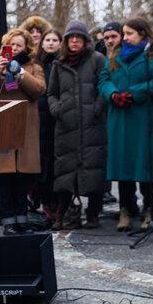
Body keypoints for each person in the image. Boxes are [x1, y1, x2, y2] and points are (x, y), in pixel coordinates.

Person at [99, 17, 153, 232]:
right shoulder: (114, 55)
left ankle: (150, 209)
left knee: (146, 163)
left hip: (144, 116)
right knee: (123, 164)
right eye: (124, 33)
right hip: (119, 118)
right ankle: (126, 209)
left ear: (143, 33)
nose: (125, 37)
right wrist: (112, 94)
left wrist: (134, 93)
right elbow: (103, 80)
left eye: (129, 33)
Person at [0, 28, 46, 234]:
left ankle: (22, 220)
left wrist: (20, 73)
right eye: (11, 44)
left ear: (26, 48)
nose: (15, 48)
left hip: (26, 129)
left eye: (19, 45)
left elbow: (38, 90)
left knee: (21, 177)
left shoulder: (33, 67)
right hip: (3, 127)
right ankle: (8, 221)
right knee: (5, 176)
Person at [46, 21, 107, 229]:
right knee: (65, 169)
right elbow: (51, 92)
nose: (74, 41)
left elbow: (103, 88)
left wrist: (97, 109)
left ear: (85, 40)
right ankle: (62, 214)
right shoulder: (58, 63)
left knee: (94, 168)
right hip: (66, 124)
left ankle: (93, 213)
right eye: (71, 38)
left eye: (78, 38)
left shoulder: (97, 59)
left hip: (92, 124)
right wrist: (57, 109)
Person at [34, 28, 62, 224]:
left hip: (58, 119)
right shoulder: (35, 64)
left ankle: (58, 204)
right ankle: (44, 203)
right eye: (47, 40)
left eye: (55, 40)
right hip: (39, 120)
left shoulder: (62, 63)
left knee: (56, 164)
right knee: (42, 164)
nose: (51, 43)